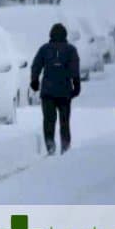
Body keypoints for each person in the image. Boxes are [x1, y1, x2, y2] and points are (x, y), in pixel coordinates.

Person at [30, 23, 81, 155]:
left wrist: (34, 81)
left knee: (49, 120)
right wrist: (76, 85)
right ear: (65, 35)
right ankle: (65, 145)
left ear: (51, 35)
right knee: (64, 121)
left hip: (48, 92)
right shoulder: (71, 50)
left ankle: (50, 145)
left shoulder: (44, 49)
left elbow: (36, 66)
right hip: (65, 92)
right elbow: (74, 69)